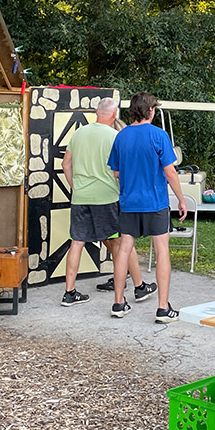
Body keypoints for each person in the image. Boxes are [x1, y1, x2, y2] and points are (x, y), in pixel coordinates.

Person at [107, 92, 188, 322]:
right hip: (155, 202)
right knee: (162, 251)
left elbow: (116, 172)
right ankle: (163, 308)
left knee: (123, 250)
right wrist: (181, 199)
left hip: (129, 202)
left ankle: (119, 303)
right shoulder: (159, 135)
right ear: (150, 110)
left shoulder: (121, 137)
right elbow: (170, 171)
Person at [62, 97, 150, 306]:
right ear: (114, 115)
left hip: (81, 197)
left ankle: (69, 293)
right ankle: (139, 287)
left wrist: (76, 187)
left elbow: (66, 164)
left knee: (77, 242)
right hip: (108, 197)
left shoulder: (78, 133)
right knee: (122, 243)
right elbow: (123, 170)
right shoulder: (116, 137)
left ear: (96, 112)